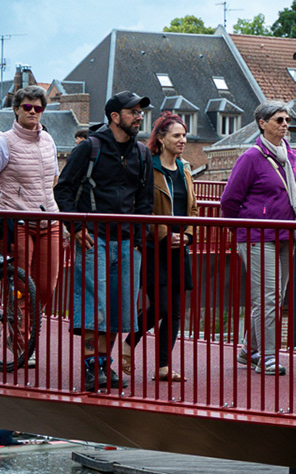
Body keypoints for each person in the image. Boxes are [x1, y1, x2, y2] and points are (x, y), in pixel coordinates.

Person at [53, 91, 154, 392]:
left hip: (127, 242)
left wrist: (138, 240)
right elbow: (64, 191)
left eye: (139, 111)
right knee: (92, 307)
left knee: (119, 310)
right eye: (132, 111)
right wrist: (75, 227)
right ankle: (91, 369)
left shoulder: (142, 153)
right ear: (114, 116)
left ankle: (103, 365)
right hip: (93, 239)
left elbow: (144, 201)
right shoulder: (90, 148)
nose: (138, 116)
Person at [0, 84, 60, 367]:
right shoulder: (3, 143)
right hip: (16, 220)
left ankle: (21, 329)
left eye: (39, 108)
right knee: (22, 284)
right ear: (16, 109)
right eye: (28, 107)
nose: (33, 112)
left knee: (46, 287)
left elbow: (53, 181)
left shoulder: (48, 140)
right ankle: (22, 343)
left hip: (49, 219)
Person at [222, 100, 296, 375]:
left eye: (286, 120)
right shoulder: (251, 158)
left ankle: (249, 349)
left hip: (284, 233)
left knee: (276, 295)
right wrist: (242, 230)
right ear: (262, 123)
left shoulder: (288, 155)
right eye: (279, 120)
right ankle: (267, 357)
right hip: (257, 235)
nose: (285, 125)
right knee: (267, 298)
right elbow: (229, 200)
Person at [131, 111, 197, 383]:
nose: (182, 140)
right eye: (177, 135)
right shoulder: (150, 168)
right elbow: (143, 208)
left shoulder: (186, 168)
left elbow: (192, 207)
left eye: (184, 135)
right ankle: (130, 340)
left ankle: (163, 366)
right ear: (161, 138)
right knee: (162, 307)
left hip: (180, 247)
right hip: (154, 247)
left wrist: (189, 236)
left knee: (176, 311)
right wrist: (161, 234)